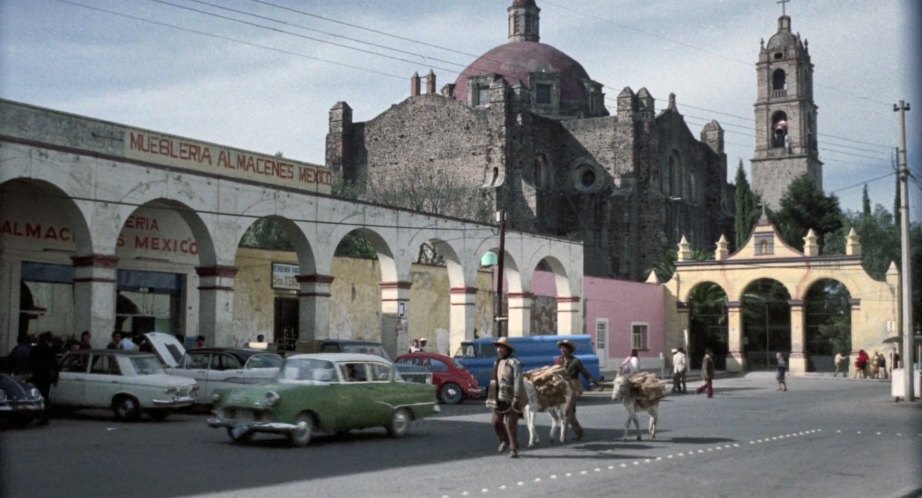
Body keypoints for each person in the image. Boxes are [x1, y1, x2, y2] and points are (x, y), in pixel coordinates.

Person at [555, 339, 599, 441]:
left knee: (567, 410)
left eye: (565, 348)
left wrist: (592, 381)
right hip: (561, 387)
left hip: (573, 387)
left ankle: (563, 436)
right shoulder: (559, 360)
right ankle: (579, 432)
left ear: (569, 350)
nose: (563, 350)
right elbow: (554, 372)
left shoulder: (576, 361)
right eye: (562, 348)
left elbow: (584, 372)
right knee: (570, 413)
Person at [488, 337, 524, 458]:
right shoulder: (497, 362)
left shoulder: (515, 363)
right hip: (499, 396)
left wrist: (517, 396)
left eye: (502, 347)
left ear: (507, 349)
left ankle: (514, 449)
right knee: (495, 422)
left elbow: (519, 380)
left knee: (511, 423)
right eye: (498, 347)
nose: (499, 349)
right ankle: (504, 440)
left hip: (512, 396)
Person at [29, 331, 59, 425]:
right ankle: (45, 417)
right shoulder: (49, 350)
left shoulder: (35, 349)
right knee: (45, 395)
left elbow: (31, 362)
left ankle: (37, 415)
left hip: (37, 375)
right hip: (46, 376)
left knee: (36, 395)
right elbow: (54, 364)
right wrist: (55, 377)